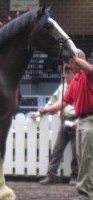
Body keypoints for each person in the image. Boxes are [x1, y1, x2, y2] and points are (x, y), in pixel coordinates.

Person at [39, 49, 93, 200]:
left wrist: (74, 57)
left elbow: (87, 68)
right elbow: (63, 102)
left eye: (72, 61)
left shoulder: (89, 72)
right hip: (82, 120)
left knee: (87, 158)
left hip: (90, 120)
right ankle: (86, 193)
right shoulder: (75, 81)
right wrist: (46, 109)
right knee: (83, 158)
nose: (69, 64)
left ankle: (85, 195)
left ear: (79, 60)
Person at [31, 65, 78, 185]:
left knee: (76, 151)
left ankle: (75, 176)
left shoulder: (79, 85)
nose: (65, 75)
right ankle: (51, 175)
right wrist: (38, 113)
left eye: (68, 73)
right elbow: (51, 102)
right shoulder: (62, 87)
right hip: (65, 120)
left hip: (76, 120)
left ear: (74, 73)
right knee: (57, 149)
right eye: (65, 73)